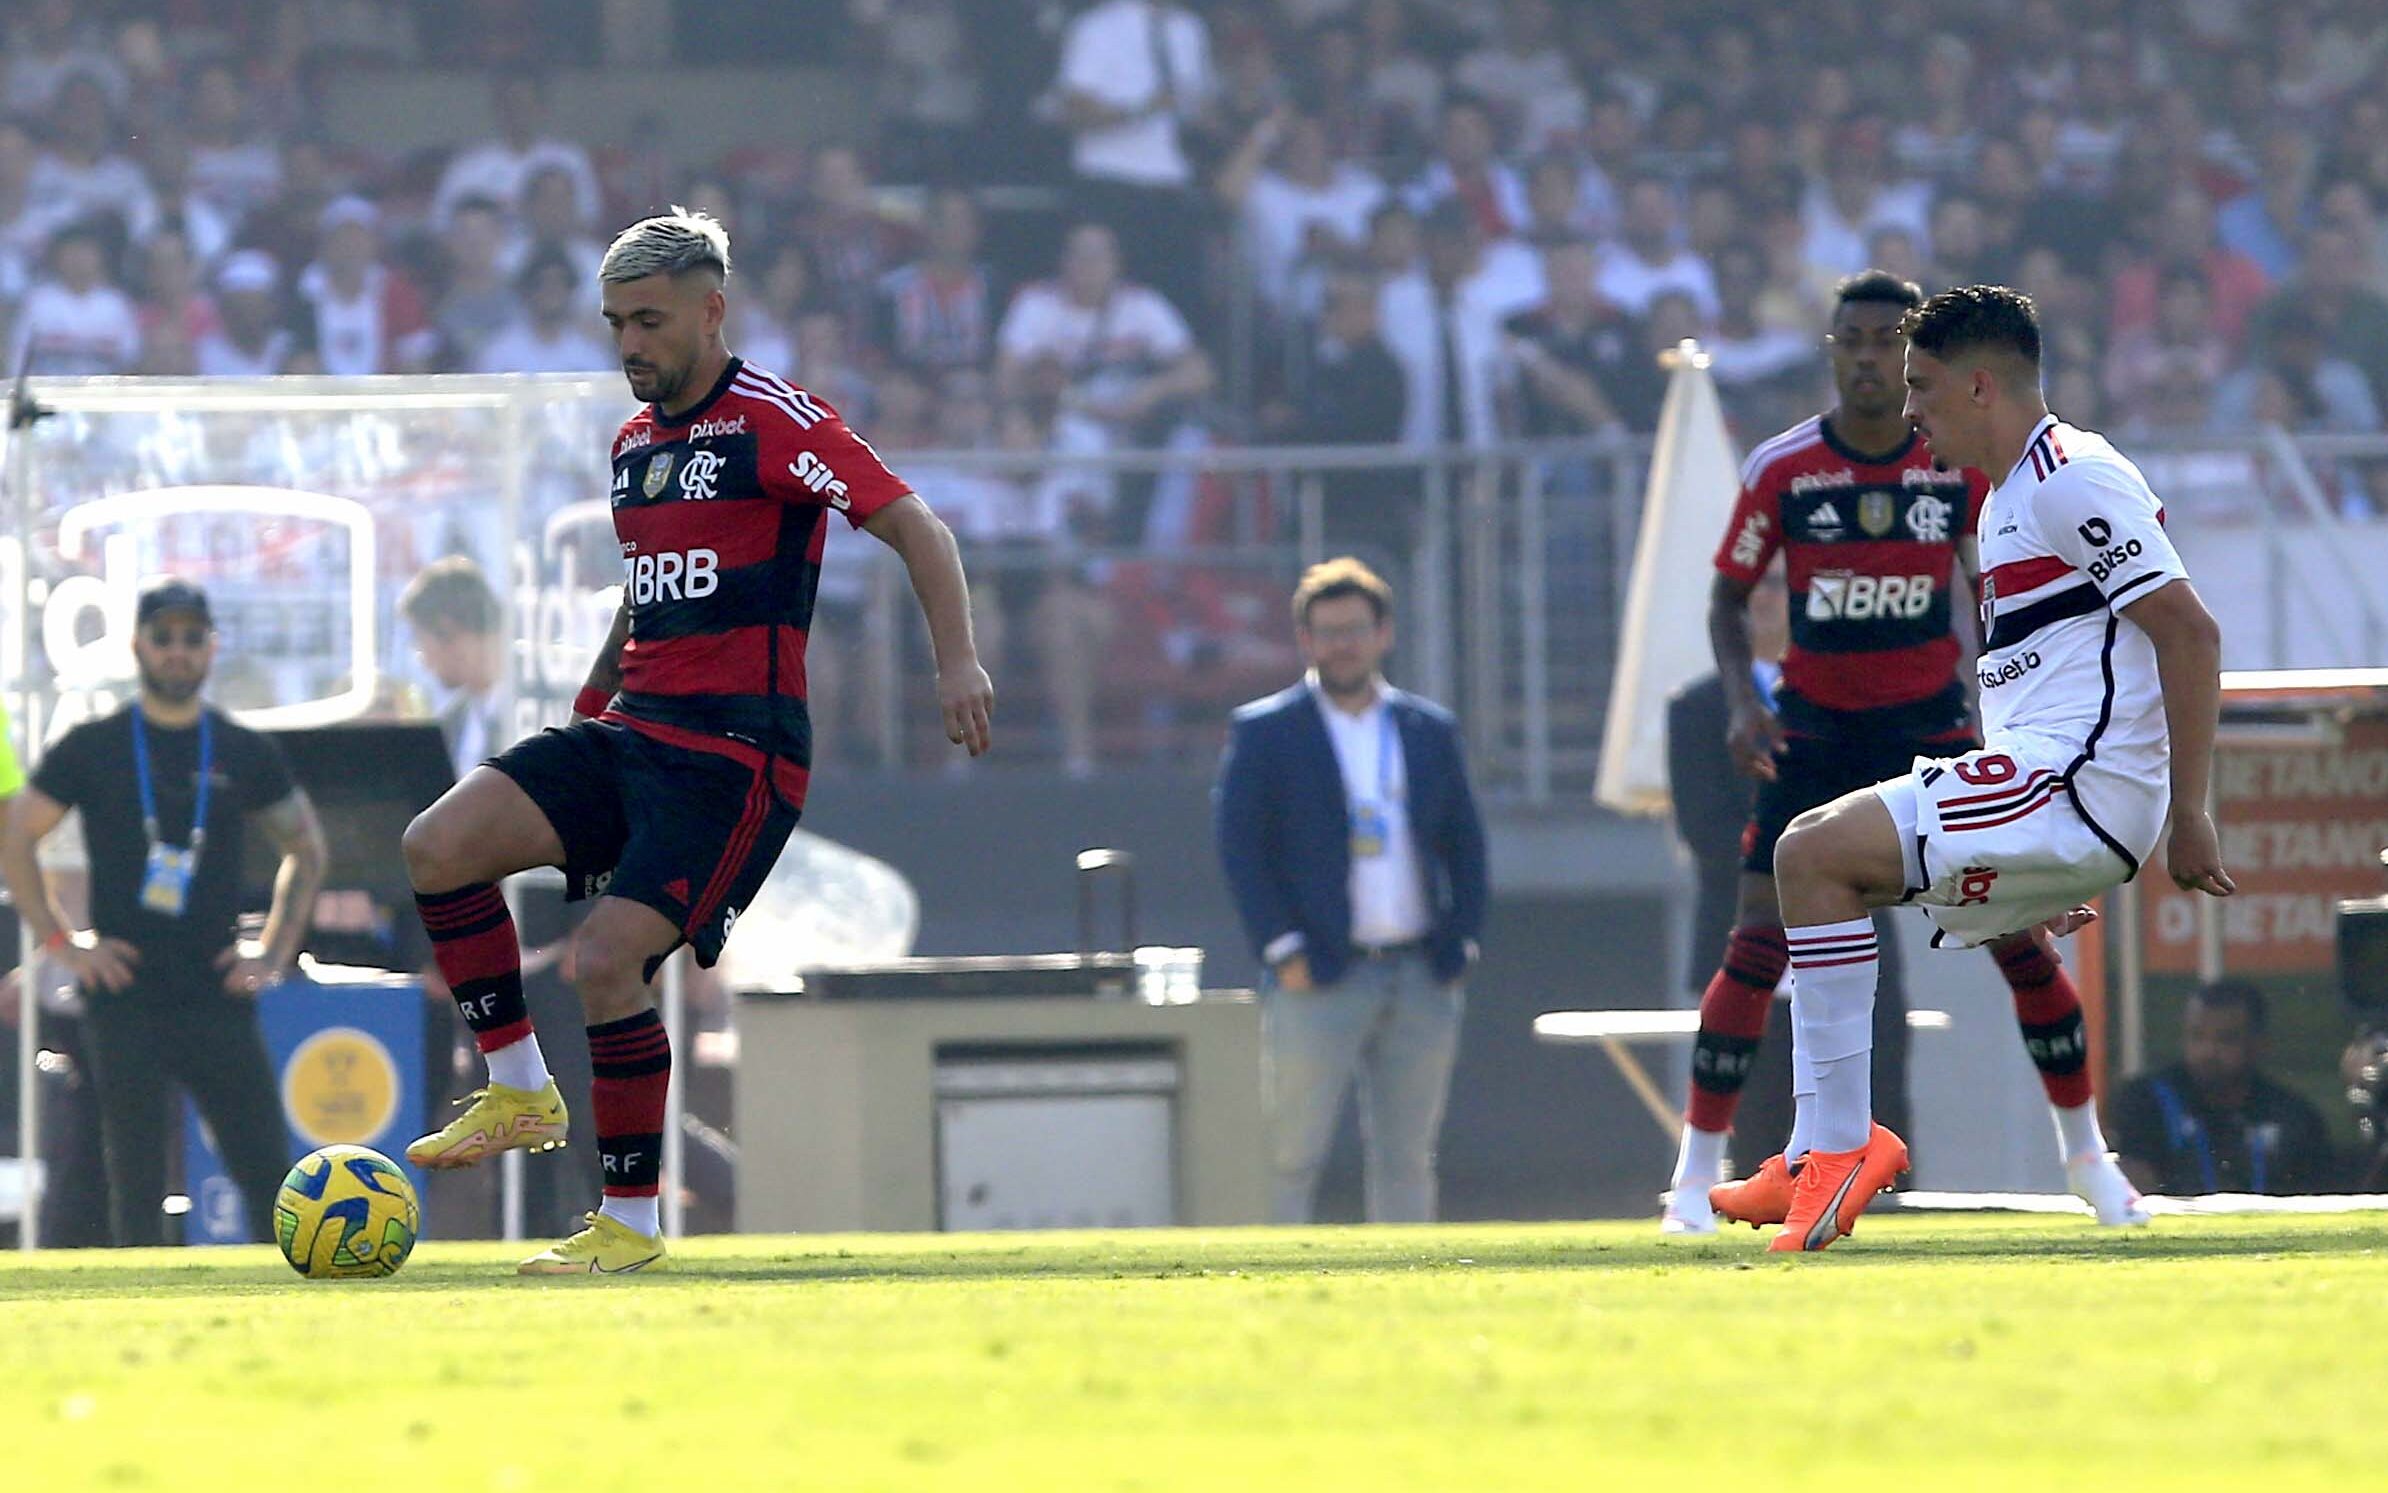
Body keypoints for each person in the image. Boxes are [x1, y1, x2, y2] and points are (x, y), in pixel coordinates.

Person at [397, 207, 993, 1275]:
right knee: (439, 844)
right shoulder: (635, 446)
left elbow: (916, 523)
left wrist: (957, 660)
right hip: (635, 727)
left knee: (605, 957)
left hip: (734, 753)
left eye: (650, 321)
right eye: (616, 323)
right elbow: (651, 595)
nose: (630, 344)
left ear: (712, 311)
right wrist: (591, 692)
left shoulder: (776, 419)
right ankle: (522, 1089)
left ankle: (630, 1221)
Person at [1749, 284, 2233, 1253]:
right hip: (2053, 785)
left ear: (1979, 386)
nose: (1909, 405)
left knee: (1809, 854)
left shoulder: (2069, 476)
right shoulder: (2013, 494)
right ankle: (1823, 1147)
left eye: (1922, 384)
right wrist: (2032, 870)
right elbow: (2056, 672)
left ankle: (1835, 1148)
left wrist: (2188, 812)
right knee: (1815, 858)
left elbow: (2187, 629)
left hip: (2081, 786)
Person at [1669, 273, 2151, 1240]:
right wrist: (1738, 704)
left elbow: (1999, 594)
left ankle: (2088, 1157)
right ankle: (1694, 1174)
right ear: (1832, 349)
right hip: (1811, 729)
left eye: (1888, 339)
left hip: (1928, 723)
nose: (1867, 356)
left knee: (2017, 934)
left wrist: (2004, 716)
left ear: (1918, 354)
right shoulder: (1786, 468)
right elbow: (1727, 595)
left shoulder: (1964, 468)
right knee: (1755, 941)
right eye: (1850, 339)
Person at [0, 579, 328, 1246]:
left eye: (191, 638)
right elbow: (16, 838)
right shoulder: (94, 745)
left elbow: (308, 847)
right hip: (122, 994)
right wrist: (65, 943)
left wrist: (271, 949)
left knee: (270, 1173)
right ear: (138, 646)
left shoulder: (240, 748)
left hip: (216, 989)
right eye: (163, 637)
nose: (177, 651)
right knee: (132, 1185)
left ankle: (305, 1311)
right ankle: (137, 1325)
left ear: (211, 647)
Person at [1214, 557, 1487, 1224]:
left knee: (1408, 1156)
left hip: (1419, 969)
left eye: (1355, 629)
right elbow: (1240, 847)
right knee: (1288, 1152)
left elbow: (1467, 842)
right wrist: (1283, 949)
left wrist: (1461, 942)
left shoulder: (1427, 728)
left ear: (1384, 633)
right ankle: (1269, 1294)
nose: (1342, 644)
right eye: (1327, 631)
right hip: (1319, 972)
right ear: (1305, 641)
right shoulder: (1266, 730)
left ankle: (1409, 1297)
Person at [2110, 980, 2334, 1196]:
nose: (2208, 1051)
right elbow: (2132, 1190)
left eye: (2226, 1039)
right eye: (2196, 1036)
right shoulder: (2147, 1102)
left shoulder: (2293, 1116)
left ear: (2260, 1044)